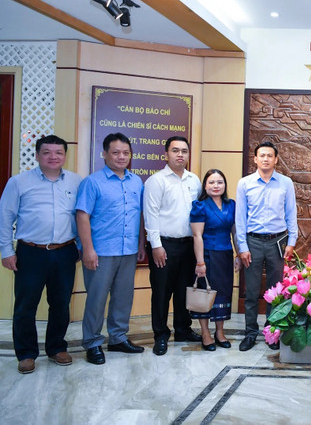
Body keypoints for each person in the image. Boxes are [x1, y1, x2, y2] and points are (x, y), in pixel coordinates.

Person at [0, 135, 81, 374]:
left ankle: (57, 348)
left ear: (65, 156)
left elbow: (82, 217)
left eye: (58, 152)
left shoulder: (76, 182)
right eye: (47, 152)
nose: (53, 156)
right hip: (30, 252)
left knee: (61, 304)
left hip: (65, 252)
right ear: (37, 155)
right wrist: (6, 251)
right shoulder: (19, 182)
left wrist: (79, 247)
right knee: (26, 305)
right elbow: (5, 218)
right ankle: (26, 354)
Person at [76, 133, 146, 365]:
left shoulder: (136, 182)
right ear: (104, 154)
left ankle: (117, 337)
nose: (121, 157)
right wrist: (88, 249)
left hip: (128, 251)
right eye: (115, 152)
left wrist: (140, 244)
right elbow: (82, 216)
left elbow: (140, 216)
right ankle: (93, 342)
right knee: (96, 299)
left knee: (123, 297)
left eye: (126, 153)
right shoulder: (92, 182)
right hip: (101, 252)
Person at [235, 141, 298, 351]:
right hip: (252, 241)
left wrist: (291, 241)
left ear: (276, 159)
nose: (265, 159)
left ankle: (273, 332)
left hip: (277, 241)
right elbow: (240, 218)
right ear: (255, 159)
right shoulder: (244, 183)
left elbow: (291, 214)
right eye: (262, 155)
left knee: (275, 291)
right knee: (251, 291)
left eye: (270, 156)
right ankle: (250, 332)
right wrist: (242, 246)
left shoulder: (285, 183)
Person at [143, 136, 202, 355]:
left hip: (188, 245)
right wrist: (156, 246)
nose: (180, 155)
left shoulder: (193, 180)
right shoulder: (156, 181)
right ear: (166, 154)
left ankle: (183, 329)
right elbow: (151, 215)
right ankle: (160, 335)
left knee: (183, 291)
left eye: (184, 151)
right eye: (175, 150)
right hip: (164, 246)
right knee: (161, 292)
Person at [190, 169, 238, 351]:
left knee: (223, 293)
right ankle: (205, 333)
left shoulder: (231, 205)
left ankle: (219, 332)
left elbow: (234, 233)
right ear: (205, 185)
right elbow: (197, 236)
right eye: (211, 182)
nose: (216, 186)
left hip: (225, 256)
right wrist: (200, 262)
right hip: (207, 255)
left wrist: (238, 255)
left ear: (225, 185)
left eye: (219, 182)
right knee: (205, 294)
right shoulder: (200, 205)